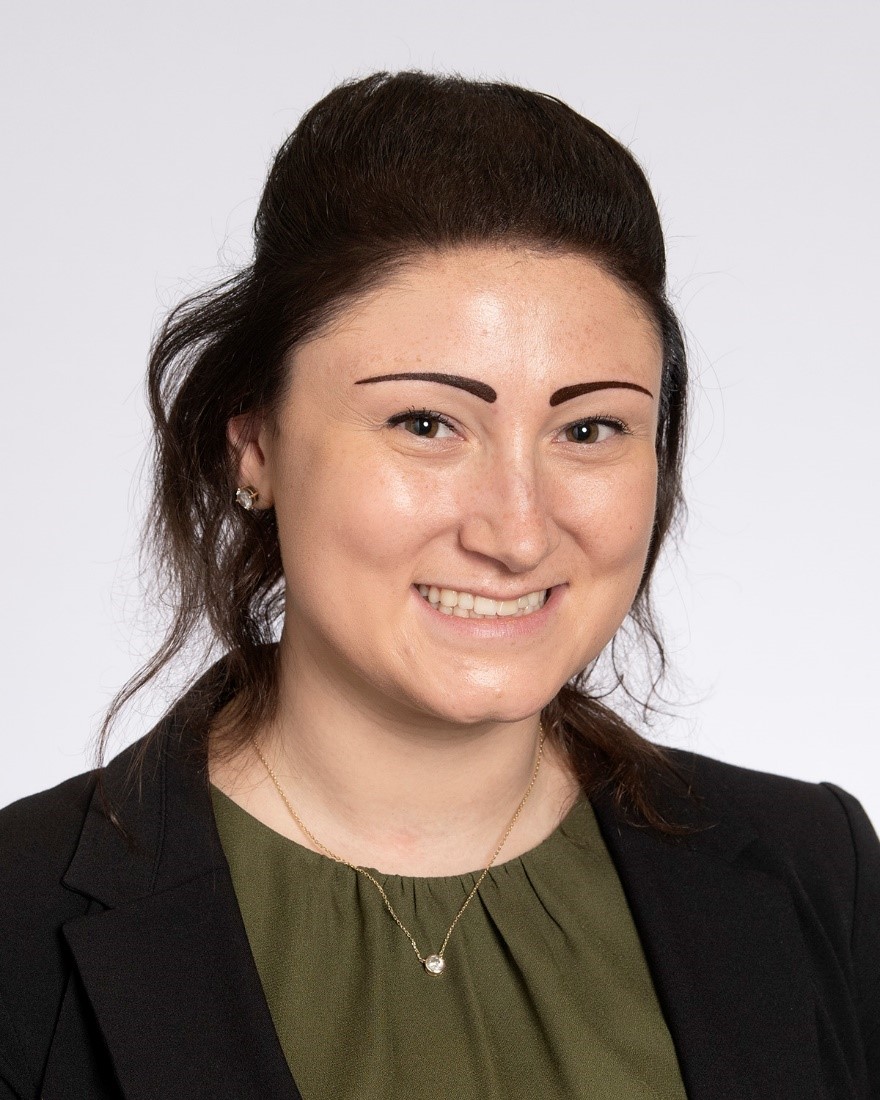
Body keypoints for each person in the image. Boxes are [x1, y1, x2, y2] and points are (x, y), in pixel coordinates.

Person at [0, 70, 877, 1100]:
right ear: (254, 445)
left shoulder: (817, 871)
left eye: (589, 428)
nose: (517, 530)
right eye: (426, 423)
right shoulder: (17, 921)